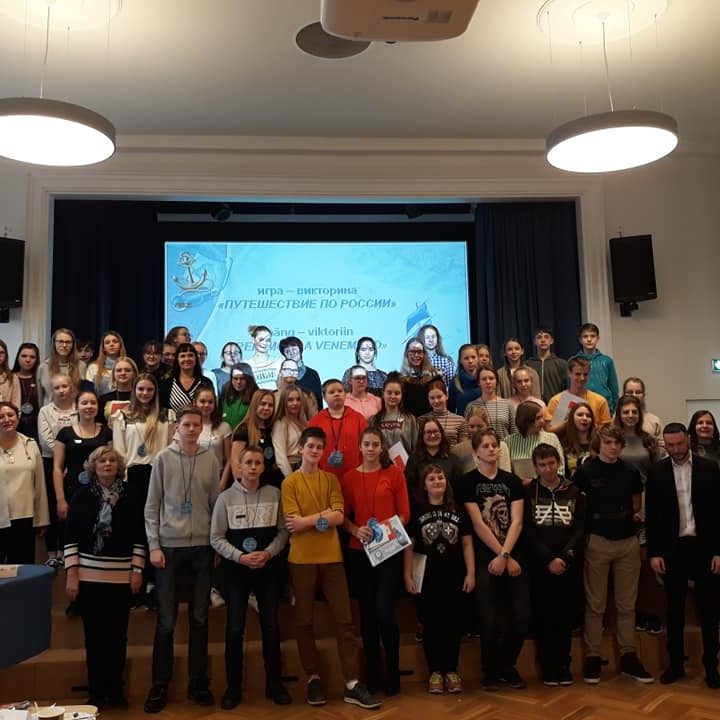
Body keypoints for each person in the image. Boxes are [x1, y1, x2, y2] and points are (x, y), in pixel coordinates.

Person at [282, 427, 381, 709]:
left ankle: (352, 683)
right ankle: (313, 678)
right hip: (301, 559)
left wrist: (309, 521)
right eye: (310, 446)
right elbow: (292, 522)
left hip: (332, 558)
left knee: (345, 621)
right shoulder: (290, 483)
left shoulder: (330, 479)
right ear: (301, 449)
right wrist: (323, 518)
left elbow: (338, 516)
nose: (314, 451)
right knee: (304, 622)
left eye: (318, 447)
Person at [144, 405, 220, 713]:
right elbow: (152, 506)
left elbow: (216, 504)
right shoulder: (163, 459)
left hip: (202, 546)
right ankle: (159, 684)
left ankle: (198, 683)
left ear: (201, 428)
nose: (191, 429)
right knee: (166, 621)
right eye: (186, 424)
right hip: (169, 547)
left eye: (196, 425)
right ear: (177, 427)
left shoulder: (210, 458)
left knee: (200, 618)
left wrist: (216, 544)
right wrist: (153, 545)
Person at [64, 444, 145, 709]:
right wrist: (72, 575)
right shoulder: (81, 496)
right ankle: (97, 693)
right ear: (94, 467)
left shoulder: (132, 495)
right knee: (94, 638)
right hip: (89, 578)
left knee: (117, 638)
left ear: (119, 466)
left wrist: (137, 570)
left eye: (111, 460)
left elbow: (139, 536)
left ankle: (116, 692)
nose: (107, 464)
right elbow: (71, 537)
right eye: (102, 461)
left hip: (121, 578)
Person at [211, 445, 291, 708]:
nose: (254, 467)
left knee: (271, 627)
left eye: (258, 463)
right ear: (240, 466)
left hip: (268, 570)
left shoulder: (275, 494)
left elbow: (283, 531)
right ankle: (233, 689)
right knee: (235, 629)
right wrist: (240, 557)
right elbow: (216, 538)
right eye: (249, 463)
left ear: (263, 467)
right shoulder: (225, 498)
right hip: (236, 571)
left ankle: (275, 685)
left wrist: (268, 553)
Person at [573, 424, 653, 684]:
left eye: (617, 443)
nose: (612, 447)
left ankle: (629, 656)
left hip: (627, 541)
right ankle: (593, 657)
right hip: (597, 541)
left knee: (627, 604)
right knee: (595, 604)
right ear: (599, 444)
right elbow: (577, 505)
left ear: (621, 445)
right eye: (607, 442)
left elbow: (636, 504)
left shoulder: (630, 471)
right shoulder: (585, 471)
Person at [645, 422, 720, 688]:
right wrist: (654, 553)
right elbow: (652, 516)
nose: (676, 449)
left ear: (688, 439)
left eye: (679, 444)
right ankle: (675, 665)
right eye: (670, 445)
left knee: (709, 612)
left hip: (704, 548)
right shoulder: (657, 472)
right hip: (672, 549)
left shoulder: (709, 468)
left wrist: (718, 551)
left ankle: (712, 668)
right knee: (674, 611)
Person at [456, 428, 528, 691]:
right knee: (489, 619)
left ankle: (507, 666)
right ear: (476, 452)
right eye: (485, 446)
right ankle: (491, 671)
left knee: (522, 617)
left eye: (494, 445)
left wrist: (506, 555)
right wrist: (499, 554)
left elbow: (517, 521)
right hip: (485, 555)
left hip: (512, 554)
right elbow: (478, 523)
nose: (491, 449)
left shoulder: (512, 481)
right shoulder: (467, 482)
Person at [342, 428, 410, 695]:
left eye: (375, 444)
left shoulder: (394, 474)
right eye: (366, 444)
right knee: (368, 615)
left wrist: (385, 531)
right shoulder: (349, 478)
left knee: (384, 612)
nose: (370, 449)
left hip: (388, 551)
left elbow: (404, 514)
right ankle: (372, 676)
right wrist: (355, 529)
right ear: (360, 447)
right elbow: (344, 517)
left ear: (382, 448)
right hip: (359, 552)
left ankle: (393, 674)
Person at [404, 464, 474, 694]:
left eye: (440, 477)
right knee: (431, 624)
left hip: (454, 574)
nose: (437, 482)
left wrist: (471, 573)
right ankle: (435, 671)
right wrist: (407, 574)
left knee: (453, 624)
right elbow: (410, 546)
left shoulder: (458, 510)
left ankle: (451, 670)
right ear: (424, 485)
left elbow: (467, 543)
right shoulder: (416, 511)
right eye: (432, 479)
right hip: (426, 575)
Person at [523, 443, 585, 686]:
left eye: (551, 463)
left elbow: (580, 529)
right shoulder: (529, 492)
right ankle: (548, 667)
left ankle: (563, 665)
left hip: (567, 562)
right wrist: (547, 559)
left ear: (558, 463)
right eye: (542, 465)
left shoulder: (574, 491)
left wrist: (564, 557)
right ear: (535, 467)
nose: (547, 469)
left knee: (564, 616)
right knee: (543, 617)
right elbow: (528, 530)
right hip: (540, 564)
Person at [0, 401, 48, 563]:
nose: (7, 420)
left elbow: (39, 484)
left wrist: (42, 519)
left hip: (24, 517)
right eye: (1, 417)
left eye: (10, 415)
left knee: (22, 569)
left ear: (18, 417)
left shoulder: (30, 444)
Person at [37, 374, 77, 567]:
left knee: (72, 507)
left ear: (71, 388)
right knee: (53, 507)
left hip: (75, 463)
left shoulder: (79, 409)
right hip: (50, 463)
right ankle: (52, 552)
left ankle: (66, 551)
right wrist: (61, 459)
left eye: (64, 386)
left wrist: (70, 460)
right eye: (57, 387)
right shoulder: (45, 411)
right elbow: (46, 440)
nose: (61, 390)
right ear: (51, 391)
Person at [307, 379, 367, 481]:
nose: (336, 394)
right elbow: (309, 450)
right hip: (323, 476)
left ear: (345, 394)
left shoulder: (358, 419)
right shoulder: (316, 421)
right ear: (324, 397)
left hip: (355, 476)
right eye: (331, 392)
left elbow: (366, 446)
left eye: (340, 391)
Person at [222, 390, 282, 489]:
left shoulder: (271, 429)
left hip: (270, 484)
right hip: (250, 487)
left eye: (270, 405)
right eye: (263, 404)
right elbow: (235, 462)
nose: (266, 408)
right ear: (255, 405)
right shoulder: (243, 430)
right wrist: (243, 488)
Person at [545, 357, 611, 435]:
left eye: (585, 374)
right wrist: (568, 422)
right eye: (578, 374)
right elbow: (548, 430)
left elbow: (606, 430)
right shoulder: (556, 400)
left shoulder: (600, 401)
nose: (582, 378)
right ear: (569, 373)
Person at [505, 400, 564, 483]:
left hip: (547, 486)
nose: (542, 421)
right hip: (518, 486)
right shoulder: (509, 441)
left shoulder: (551, 438)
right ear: (526, 420)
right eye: (538, 418)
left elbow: (561, 467)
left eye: (542, 417)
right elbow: (506, 471)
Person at [405, 417, 463, 496]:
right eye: (428, 432)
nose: (432, 435)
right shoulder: (413, 460)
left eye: (435, 431)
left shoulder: (454, 460)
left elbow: (459, 490)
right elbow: (410, 489)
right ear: (422, 436)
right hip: (420, 503)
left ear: (441, 434)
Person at [451, 406, 512, 475]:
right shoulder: (458, 450)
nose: (475, 430)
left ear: (487, 426)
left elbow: (506, 474)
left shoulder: (501, 446)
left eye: (480, 426)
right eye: (472, 426)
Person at [572, 323, 619, 411]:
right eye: (585, 336)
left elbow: (614, 388)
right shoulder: (573, 361)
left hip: (605, 406)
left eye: (592, 336)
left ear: (598, 339)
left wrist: (615, 410)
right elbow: (570, 387)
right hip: (581, 406)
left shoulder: (607, 361)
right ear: (580, 340)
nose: (589, 339)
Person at [368, 373, 417, 456]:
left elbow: (415, 448)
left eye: (397, 393)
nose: (393, 396)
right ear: (383, 394)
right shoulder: (373, 420)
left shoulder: (410, 419)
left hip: (406, 463)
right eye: (389, 392)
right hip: (381, 463)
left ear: (401, 395)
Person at [37, 328, 87, 406]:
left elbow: (84, 394)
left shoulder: (81, 366)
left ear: (73, 345)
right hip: (49, 411)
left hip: (74, 410)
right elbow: (40, 396)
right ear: (54, 343)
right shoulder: (44, 367)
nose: (64, 345)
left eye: (68, 342)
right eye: (60, 341)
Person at [464, 367, 516, 441]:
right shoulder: (471, 406)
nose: (488, 382)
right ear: (479, 382)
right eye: (484, 379)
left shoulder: (508, 404)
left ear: (496, 381)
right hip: (480, 446)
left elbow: (514, 432)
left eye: (491, 378)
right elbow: (466, 433)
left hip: (504, 446)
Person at [158, 342, 212, 412]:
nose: (187, 359)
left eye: (190, 355)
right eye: (182, 356)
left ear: (196, 359)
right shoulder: (167, 384)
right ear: (177, 360)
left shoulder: (205, 382)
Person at [419, 378, 469, 449]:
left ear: (447, 395)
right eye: (432, 398)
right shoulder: (421, 420)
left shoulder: (460, 420)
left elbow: (464, 449)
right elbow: (420, 447)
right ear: (428, 399)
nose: (436, 401)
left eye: (439, 397)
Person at [399, 337, 441, 417]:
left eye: (419, 352)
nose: (416, 355)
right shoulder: (400, 380)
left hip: (431, 421)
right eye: (412, 352)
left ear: (424, 354)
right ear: (407, 354)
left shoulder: (434, 378)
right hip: (408, 422)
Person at [272, 387, 309, 476]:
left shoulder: (303, 422)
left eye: (298, 399)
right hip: (288, 470)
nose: (295, 403)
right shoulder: (281, 423)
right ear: (284, 402)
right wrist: (291, 479)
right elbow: (281, 457)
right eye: (290, 400)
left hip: (303, 467)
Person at [279, 336, 322, 412]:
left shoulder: (313, 374)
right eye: (287, 351)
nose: (291, 353)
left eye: (294, 349)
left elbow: (319, 401)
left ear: (300, 350)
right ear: (284, 355)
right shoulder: (282, 375)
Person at [526, 328, 568, 404]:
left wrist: (562, 407)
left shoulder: (562, 364)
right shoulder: (527, 365)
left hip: (556, 405)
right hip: (533, 406)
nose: (543, 340)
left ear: (551, 341)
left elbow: (567, 389)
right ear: (534, 341)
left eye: (546, 337)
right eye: (539, 337)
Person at [12, 342, 41, 441]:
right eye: (24, 356)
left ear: (37, 360)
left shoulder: (40, 378)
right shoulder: (10, 378)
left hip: (36, 426)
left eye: (32, 357)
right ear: (18, 357)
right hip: (13, 424)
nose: (28, 360)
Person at [97, 356, 138, 426]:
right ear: (113, 374)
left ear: (134, 374)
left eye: (127, 370)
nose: (123, 373)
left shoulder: (141, 398)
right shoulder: (103, 399)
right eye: (119, 370)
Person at [560, 402, 595, 479]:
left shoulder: (598, 443)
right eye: (580, 415)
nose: (585, 418)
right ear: (572, 418)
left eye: (588, 416)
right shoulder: (564, 444)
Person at [622, 377, 663, 444]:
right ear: (623, 394)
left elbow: (662, 447)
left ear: (643, 395)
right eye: (630, 392)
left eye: (638, 392)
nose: (634, 395)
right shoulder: (615, 420)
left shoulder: (654, 421)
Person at [85, 330, 126, 396]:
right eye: (107, 342)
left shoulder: (128, 366)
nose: (111, 344)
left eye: (115, 341)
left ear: (120, 345)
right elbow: (88, 391)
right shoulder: (93, 367)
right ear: (103, 348)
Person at [219, 362, 257, 429]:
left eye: (242, 379)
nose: (238, 382)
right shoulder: (226, 396)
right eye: (235, 378)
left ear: (248, 379)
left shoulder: (255, 397)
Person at [246, 325, 282, 390]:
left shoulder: (279, 362)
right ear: (253, 340)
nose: (264, 343)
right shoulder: (247, 365)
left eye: (268, 340)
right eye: (261, 339)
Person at [448, 344, 481, 415]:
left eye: (473, 357)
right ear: (460, 361)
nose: (470, 361)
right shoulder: (455, 382)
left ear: (478, 358)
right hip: (462, 421)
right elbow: (451, 409)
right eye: (466, 358)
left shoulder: (485, 378)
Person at [0, 338, 21, 407]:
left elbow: (16, 405)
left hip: (7, 413)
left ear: (6, 355)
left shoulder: (13, 378)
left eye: (2, 352)